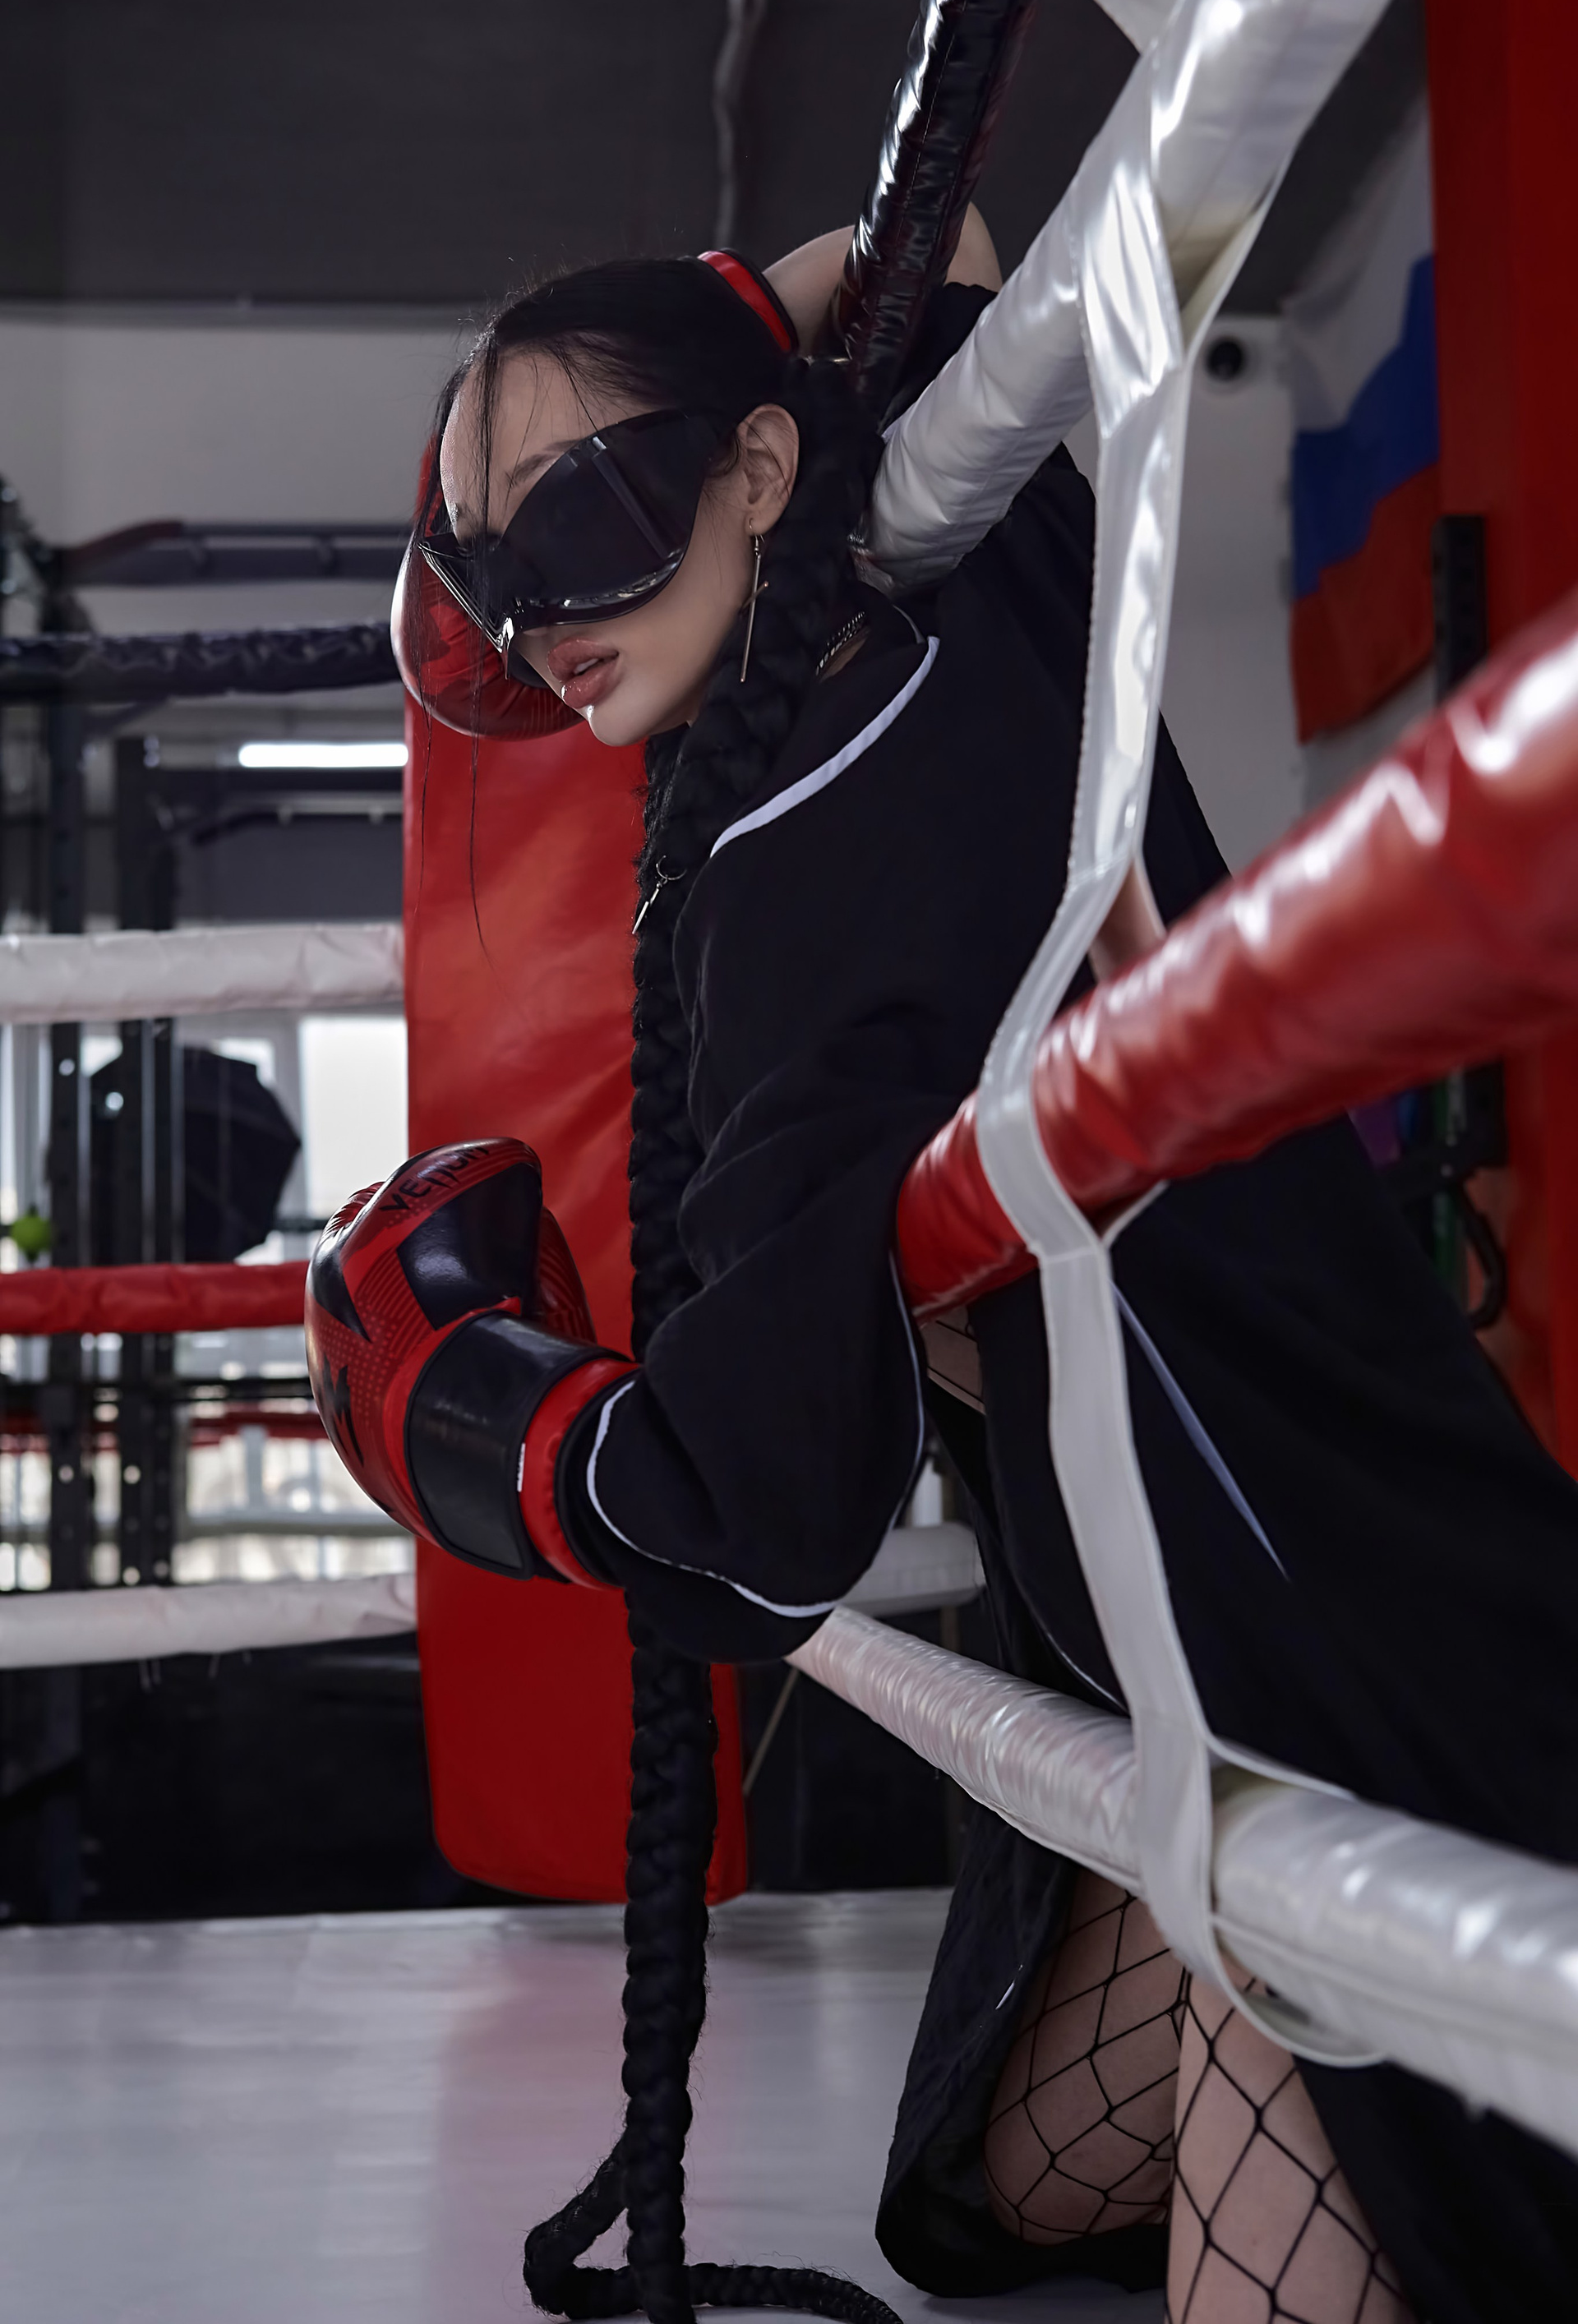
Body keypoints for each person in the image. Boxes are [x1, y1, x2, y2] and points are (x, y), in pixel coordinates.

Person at [307, 219, 1578, 2324]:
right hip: (1364, 1568)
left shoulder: (798, 893)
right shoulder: (976, 576)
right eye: (483, 568)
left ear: (762, 467)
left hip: (1328, 1682)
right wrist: (667, 366)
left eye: (579, 515)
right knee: (990, 2190)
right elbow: (946, 249)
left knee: (1287, 2093)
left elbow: (741, 1520)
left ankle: (1314, 1974)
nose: (538, 619)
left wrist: (480, 1422)